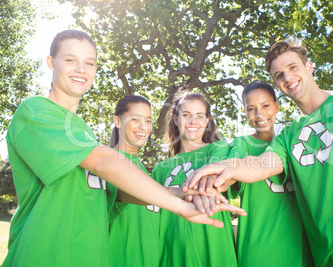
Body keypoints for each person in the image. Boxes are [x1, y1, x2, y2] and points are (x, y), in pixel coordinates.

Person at [3, 30, 245, 266]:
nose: (81, 69)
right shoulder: (36, 111)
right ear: (51, 62)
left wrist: (178, 192)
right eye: (70, 60)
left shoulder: (83, 133)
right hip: (43, 255)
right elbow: (102, 161)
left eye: (89, 63)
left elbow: (114, 193)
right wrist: (180, 206)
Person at [183, 40, 333, 267]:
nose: (287, 77)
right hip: (327, 259)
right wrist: (228, 167)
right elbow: (264, 164)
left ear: (309, 66)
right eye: (279, 75)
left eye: (293, 67)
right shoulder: (288, 135)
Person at [228, 80, 313, 266]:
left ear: (276, 106)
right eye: (251, 108)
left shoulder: (294, 141)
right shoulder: (242, 145)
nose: (259, 114)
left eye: (265, 105)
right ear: (245, 112)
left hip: (301, 246)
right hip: (258, 248)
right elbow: (230, 170)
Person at [152, 92, 238, 267]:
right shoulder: (160, 169)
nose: (193, 121)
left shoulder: (218, 149)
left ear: (207, 121)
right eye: (186, 115)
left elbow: (213, 181)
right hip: (170, 253)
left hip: (213, 250)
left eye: (200, 116)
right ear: (175, 119)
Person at [107, 95, 160, 267]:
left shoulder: (143, 171)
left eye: (148, 120)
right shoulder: (106, 162)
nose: (143, 127)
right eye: (135, 119)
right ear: (118, 121)